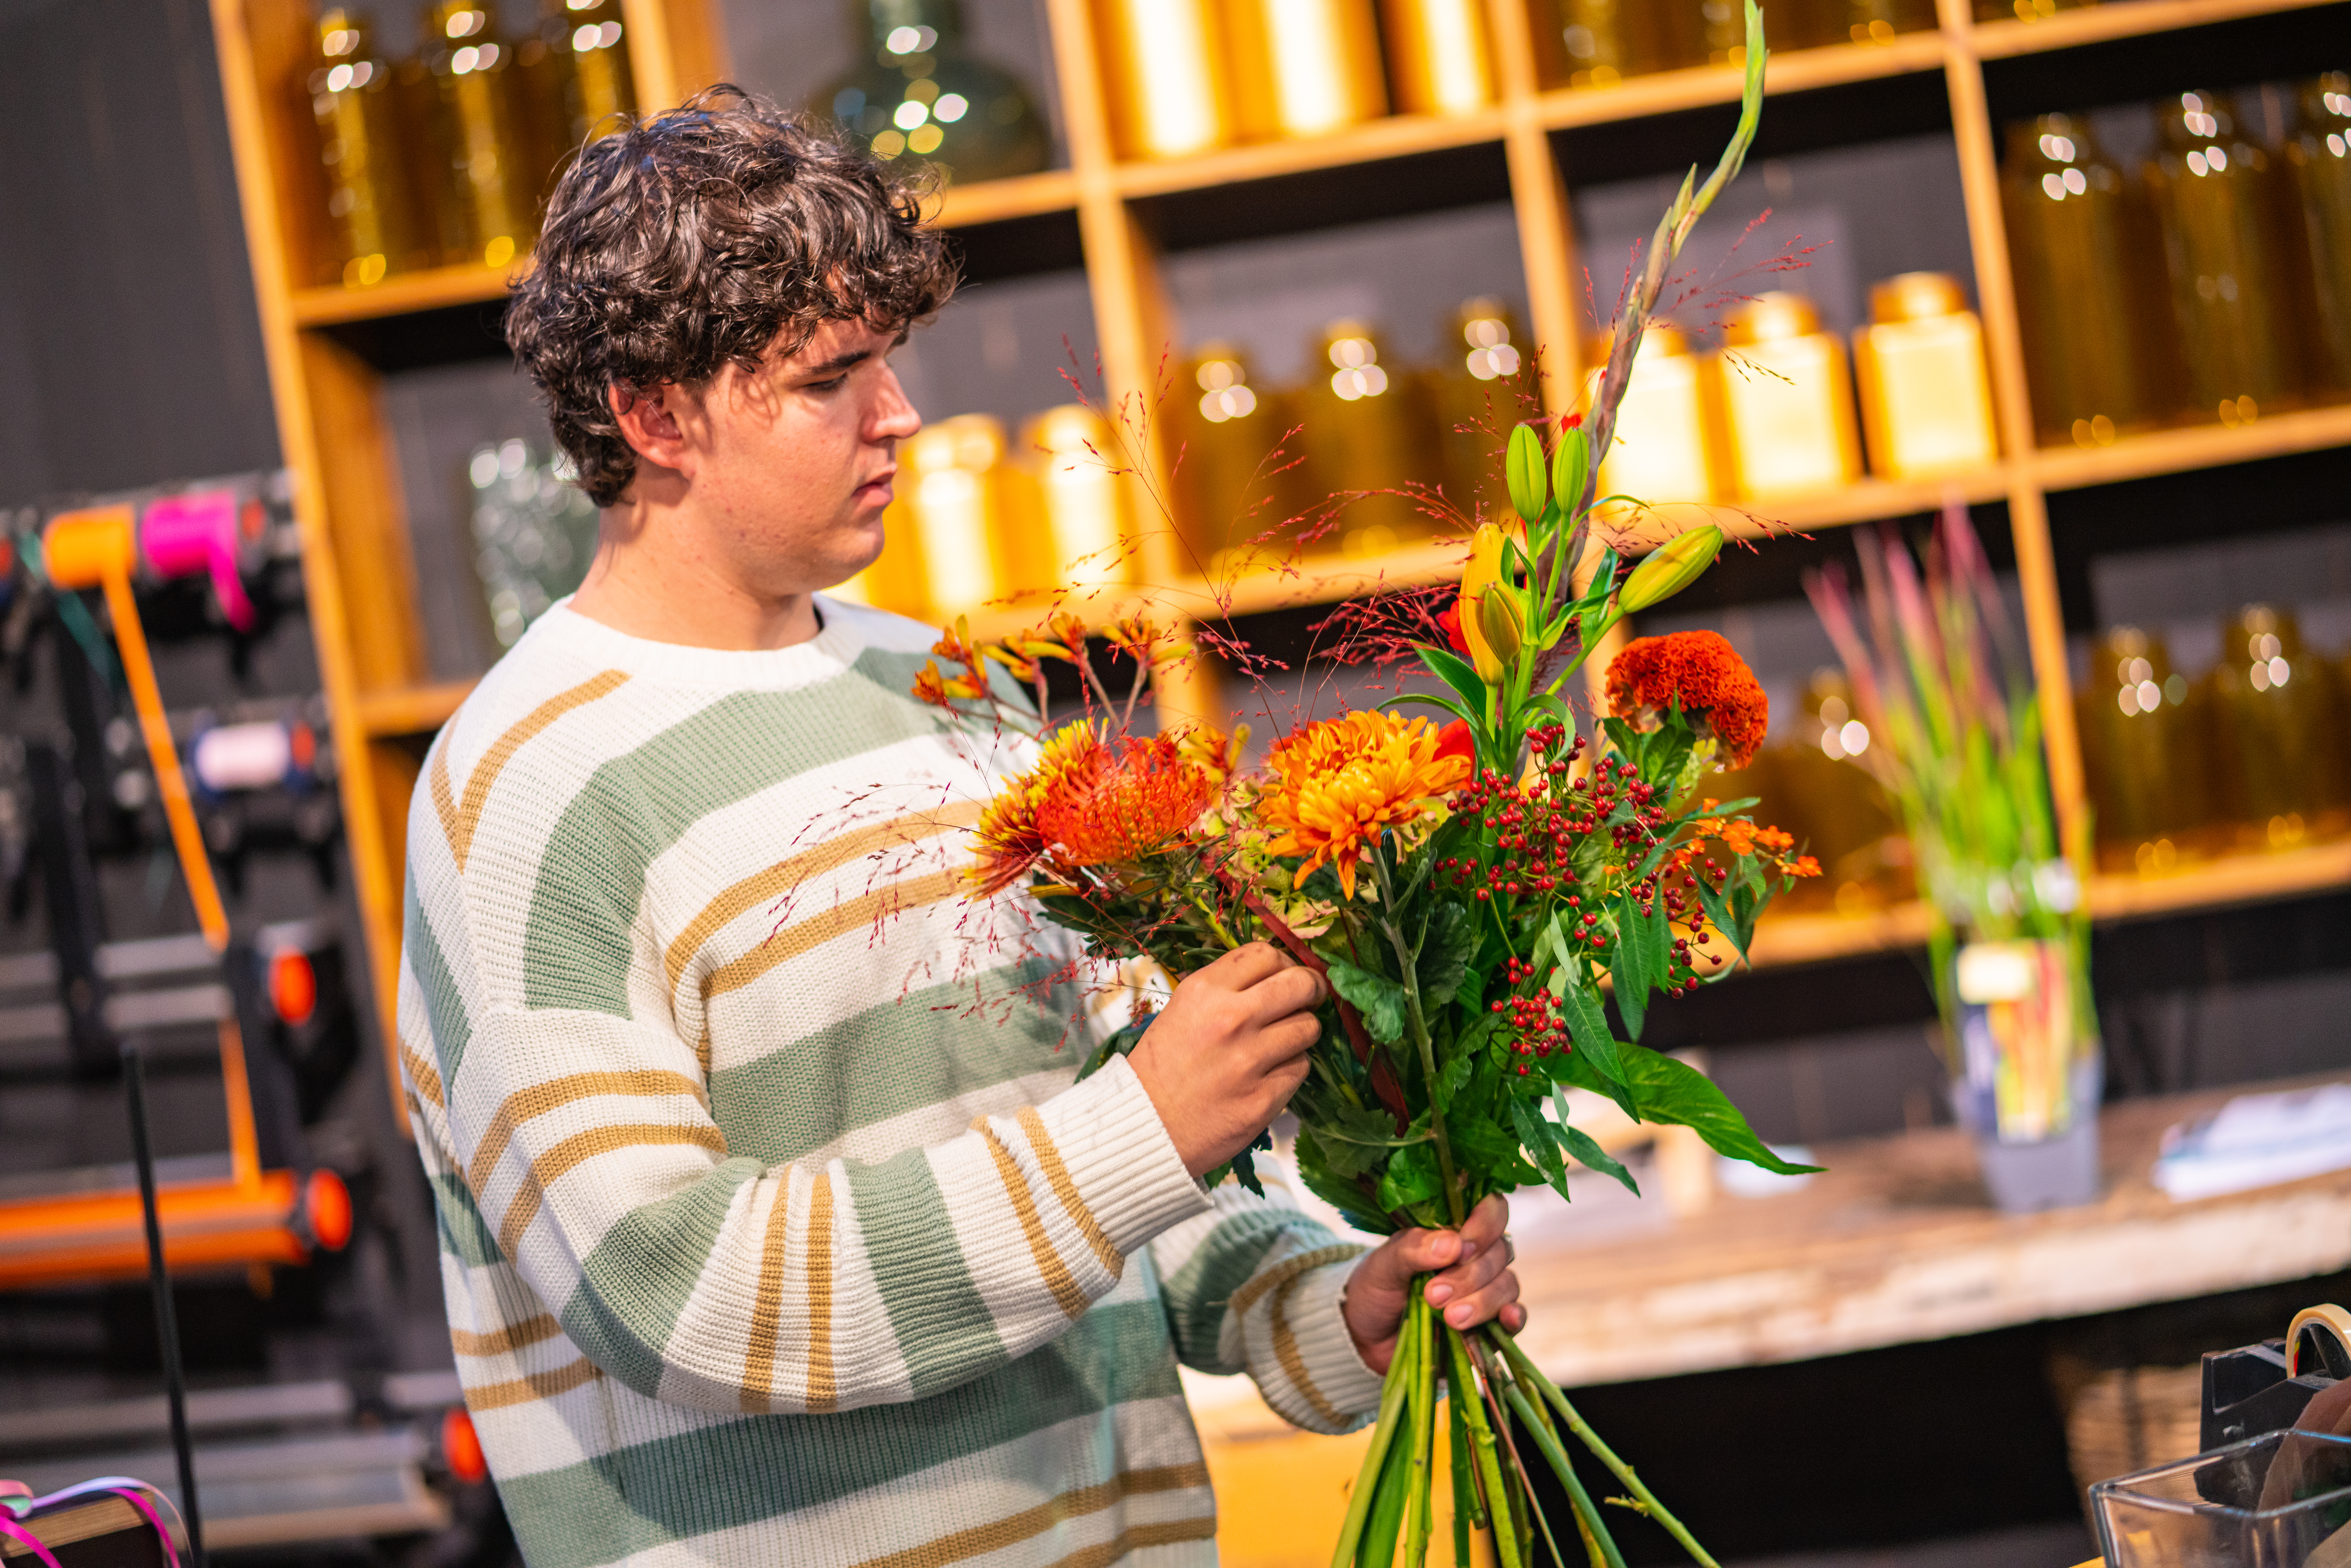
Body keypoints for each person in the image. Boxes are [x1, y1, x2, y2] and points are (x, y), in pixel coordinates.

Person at [396, 89, 1522, 1568]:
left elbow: (1121, 1163)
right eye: (828, 378)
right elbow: (669, 1291)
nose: (899, 417)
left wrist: (1326, 1306)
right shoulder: (526, 794)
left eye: (890, 362)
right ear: (652, 414)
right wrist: (1136, 1134)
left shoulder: (950, 689)